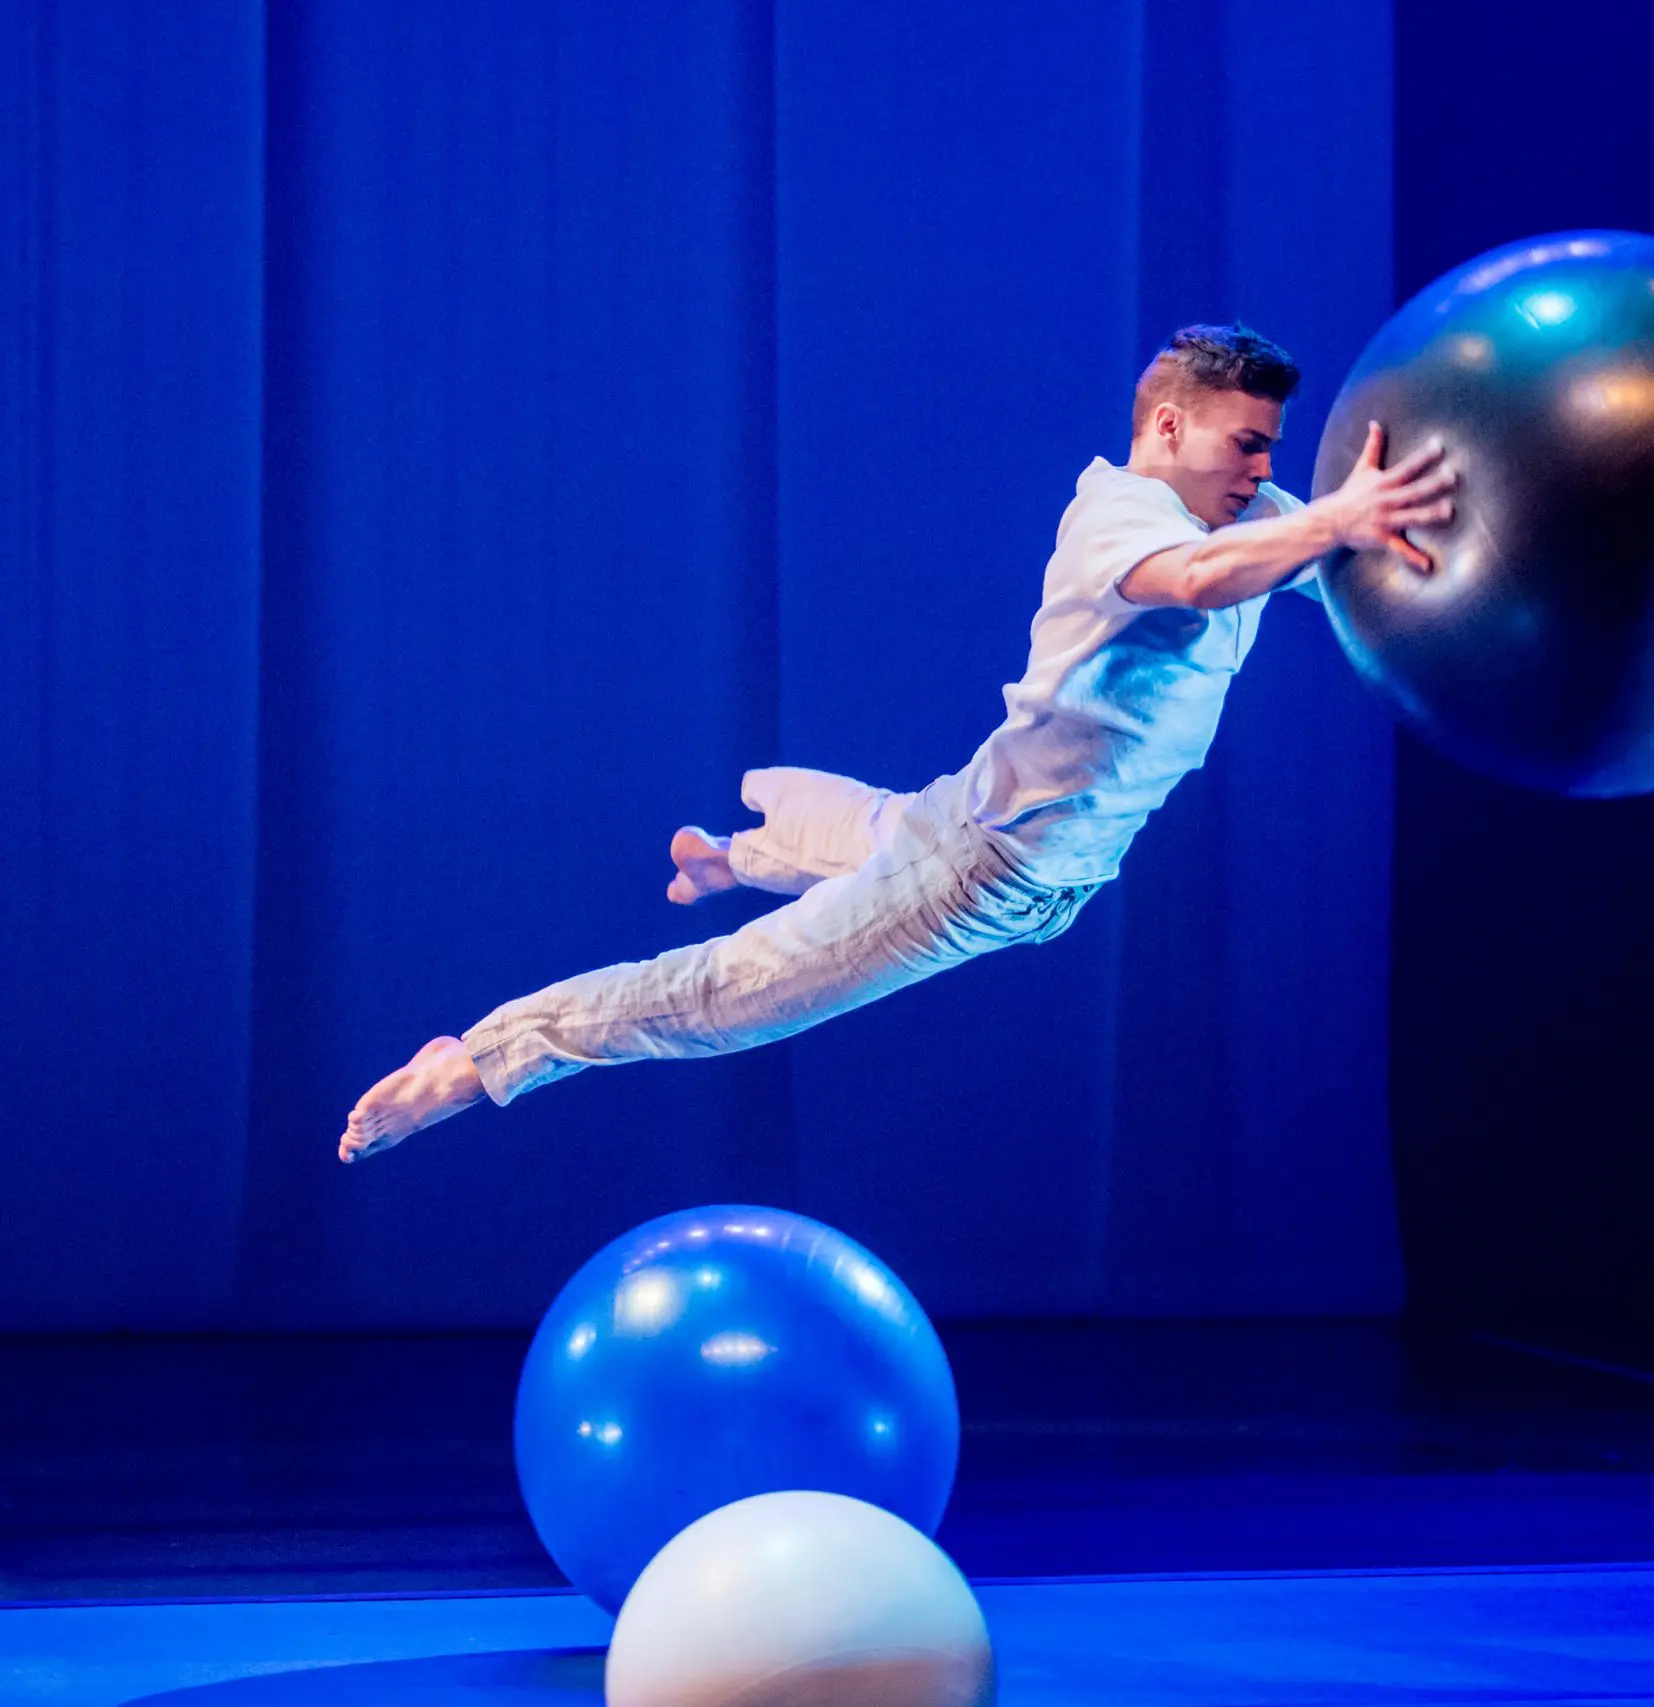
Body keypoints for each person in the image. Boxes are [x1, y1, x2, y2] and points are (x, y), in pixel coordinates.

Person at [337, 324, 1455, 1163]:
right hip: (982, 873)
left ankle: (737, 856)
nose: (1262, 471)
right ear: (1168, 426)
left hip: (992, 836)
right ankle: (480, 1059)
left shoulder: (1249, 519)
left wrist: (1425, 532)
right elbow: (1205, 584)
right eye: (1245, 444)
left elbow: (1332, 567)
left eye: (1271, 452)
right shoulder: (1125, 518)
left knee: (891, 829)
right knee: (731, 996)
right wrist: (1330, 521)